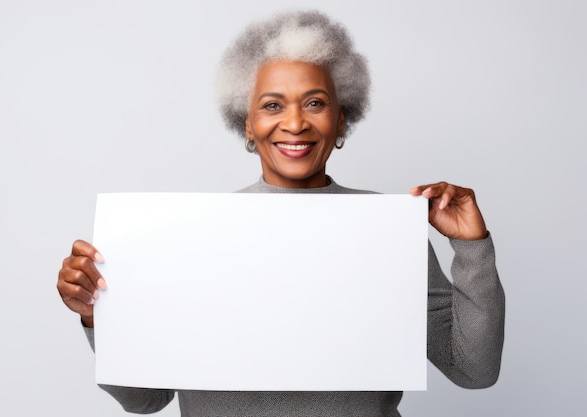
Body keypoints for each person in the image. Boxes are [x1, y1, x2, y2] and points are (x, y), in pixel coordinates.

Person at [57, 10, 504, 417]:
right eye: (273, 105)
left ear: (341, 120)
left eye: (315, 103)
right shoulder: (190, 234)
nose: (294, 123)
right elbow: (144, 399)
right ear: (248, 124)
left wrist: (471, 249)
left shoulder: (389, 231)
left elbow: (474, 370)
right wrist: (97, 316)